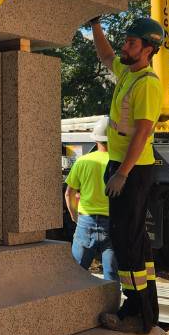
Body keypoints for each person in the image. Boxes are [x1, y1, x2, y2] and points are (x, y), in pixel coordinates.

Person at [89, 17, 164, 334]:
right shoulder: (127, 73)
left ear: (148, 49)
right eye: (126, 41)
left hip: (131, 170)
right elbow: (106, 56)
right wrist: (95, 27)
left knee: (125, 241)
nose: (124, 47)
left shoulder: (147, 83)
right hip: (124, 166)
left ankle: (136, 315)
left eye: (132, 43)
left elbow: (143, 133)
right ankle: (147, 308)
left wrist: (121, 173)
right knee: (134, 240)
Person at [64, 116, 117, 280]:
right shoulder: (119, 164)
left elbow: (69, 193)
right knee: (111, 276)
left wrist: (74, 215)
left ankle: (75, 306)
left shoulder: (82, 162)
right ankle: (112, 305)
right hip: (112, 224)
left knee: (76, 274)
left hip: (85, 223)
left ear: (95, 139)